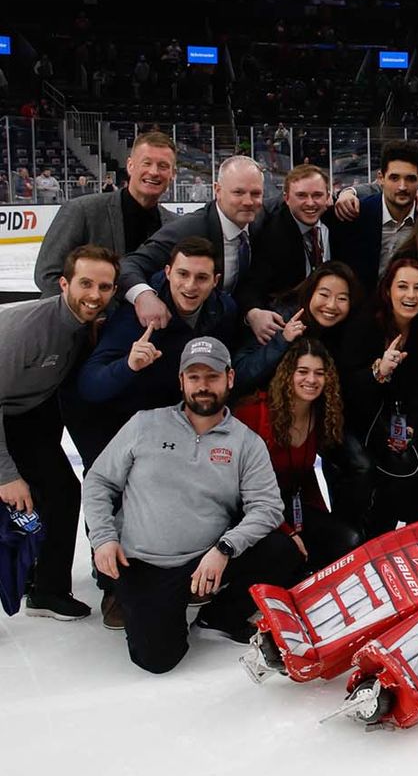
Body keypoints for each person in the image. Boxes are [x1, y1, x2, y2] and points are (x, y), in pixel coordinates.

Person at [82, 337, 298, 673]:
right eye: (194, 377)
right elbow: (99, 481)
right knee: (156, 659)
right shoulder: (144, 424)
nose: (203, 386)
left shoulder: (245, 442)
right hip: (141, 561)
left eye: (211, 377)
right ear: (181, 381)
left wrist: (224, 549)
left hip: (204, 559)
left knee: (282, 552)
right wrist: (103, 538)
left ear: (229, 378)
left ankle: (218, 615)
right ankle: (127, 596)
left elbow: (268, 506)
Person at [0, 245, 118, 620]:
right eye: (85, 283)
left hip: (30, 410)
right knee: (18, 493)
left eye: (104, 286)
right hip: (6, 410)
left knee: (61, 491)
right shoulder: (27, 330)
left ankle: (47, 589)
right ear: (63, 283)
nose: (95, 295)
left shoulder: (87, 323)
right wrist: (6, 475)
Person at [70, 236, 239, 492]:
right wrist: (128, 365)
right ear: (168, 272)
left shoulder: (223, 310)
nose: (190, 286)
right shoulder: (136, 317)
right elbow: (90, 385)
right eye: (182, 274)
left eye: (201, 278)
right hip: (114, 429)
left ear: (215, 281)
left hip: (170, 430)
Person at [339, 258, 418, 537]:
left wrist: (411, 425)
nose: (411, 296)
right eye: (403, 287)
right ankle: (360, 536)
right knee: (370, 470)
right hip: (354, 417)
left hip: (395, 416)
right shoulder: (365, 324)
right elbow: (346, 389)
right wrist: (379, 371)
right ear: (388, 290)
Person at [233, 340, 361, 574]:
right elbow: (241, 489)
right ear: (287, 374)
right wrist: (288, 531)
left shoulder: (318, 415)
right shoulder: (254, 413)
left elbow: (305, 474)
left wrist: (321, 516)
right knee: (290, 554)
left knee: (348, 540)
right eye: (302, 371)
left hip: (289, 505)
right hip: (251, 510)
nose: (311, 380)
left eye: (319, 373)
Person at [119, 155, 267, 322]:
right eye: (238, 192)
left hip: (231, 325)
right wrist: (144, 296)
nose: (248, 201)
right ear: (217, 190)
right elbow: (128, 265)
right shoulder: (189, 229)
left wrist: (252, 311)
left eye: (255, 193)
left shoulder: (260, 221)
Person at [34, 130, 174, 293]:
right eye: (146, 163)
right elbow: (47, 275)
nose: (154, 172)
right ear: (130, 165)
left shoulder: (174, 225)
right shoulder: (82, 210)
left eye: (163, 166)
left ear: (173, 174)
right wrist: (94, 310)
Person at [234, 164, 333, 345]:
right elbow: (252, 283)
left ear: (328, 196)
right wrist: (253, 312)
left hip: (334, 323)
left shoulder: (338, 220)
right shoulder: (271, 234)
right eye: (301, 196)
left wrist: (351, 192)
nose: (310, 203)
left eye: (317, 195)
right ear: (286, 198)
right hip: (290, 327)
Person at [233, 262, 362, 396]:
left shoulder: (347, 326)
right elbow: (240, 375)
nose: (331, 305)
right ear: (310, 292)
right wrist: (282, 340)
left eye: (342, 298)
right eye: (324, 295)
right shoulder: (281, 318)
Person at [329, 139, 418, 291]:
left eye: (410, 178)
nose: (402, 186)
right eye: (394, 178)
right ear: (381, 178)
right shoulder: (354, 216)